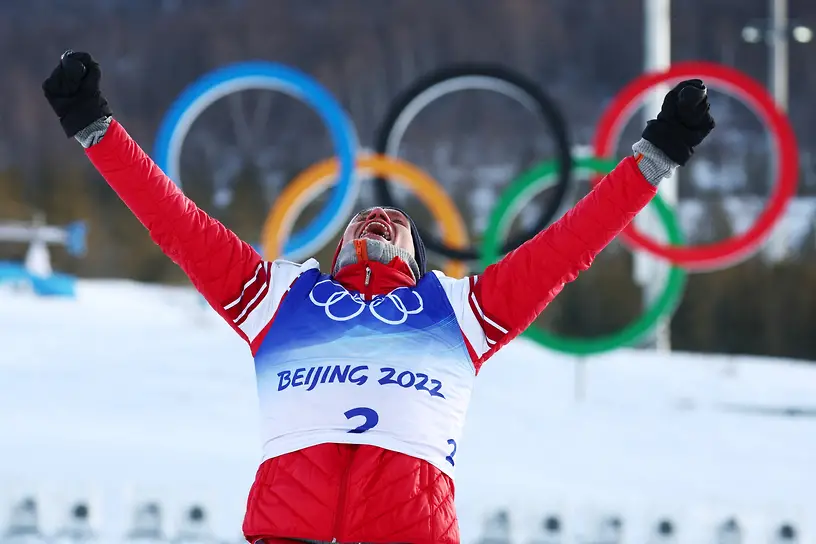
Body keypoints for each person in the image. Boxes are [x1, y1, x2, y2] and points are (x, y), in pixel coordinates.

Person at [42, 51, 714, 544]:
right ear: (338, 253)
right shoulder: (277, 299)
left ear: (419, 262)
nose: (378, 222)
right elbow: (178, 224)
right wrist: (95, 128)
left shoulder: (462, 311)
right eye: (367, 223)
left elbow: (571, 246)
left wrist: (655, 157)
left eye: (393, 225)